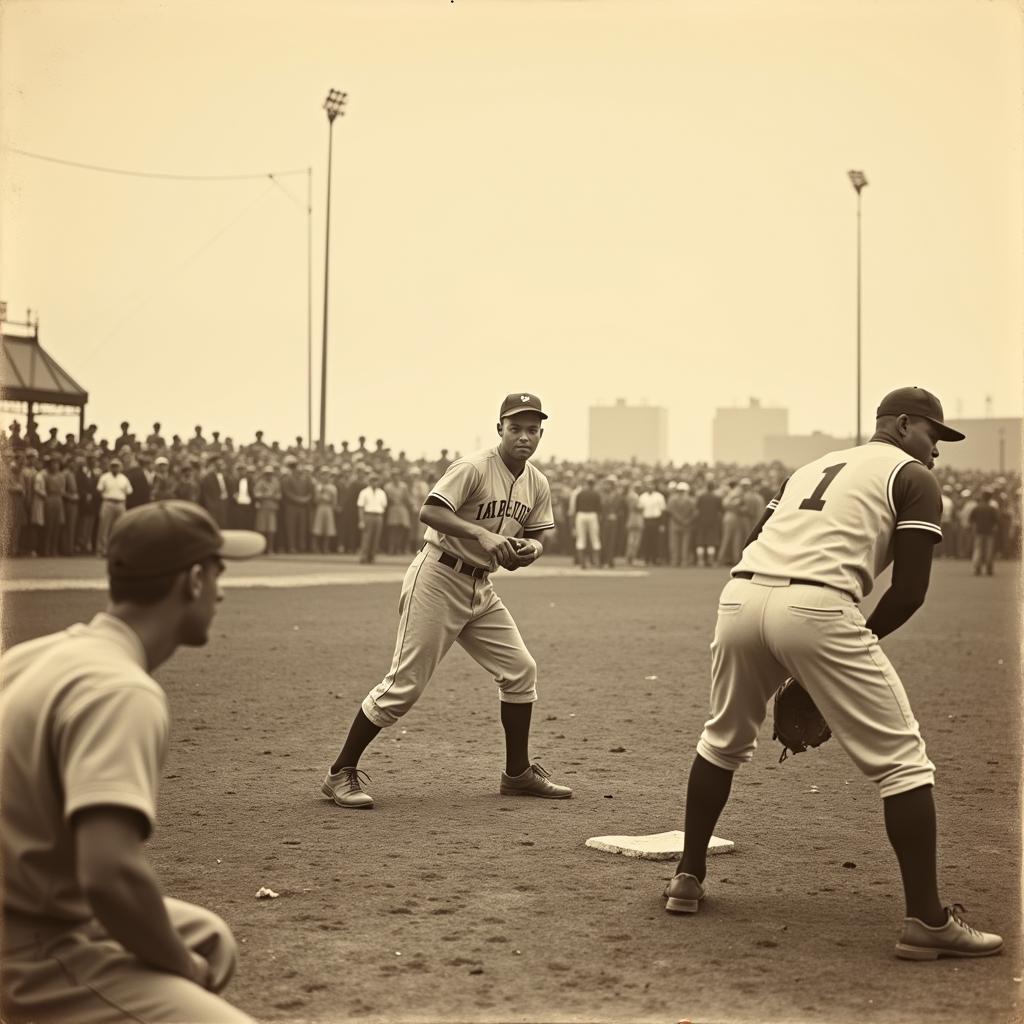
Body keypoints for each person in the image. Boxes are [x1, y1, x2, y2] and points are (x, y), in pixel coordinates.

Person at [665, 387, 1002, 961]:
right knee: (904, 762)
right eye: (932, 434)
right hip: (819, 606)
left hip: (740, 598)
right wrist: (841, 649)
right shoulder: (913, 476)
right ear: (899, 425)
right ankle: (927, 920)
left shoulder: (810, 467)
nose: (937, 451)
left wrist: (796, 652)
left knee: (721, 740)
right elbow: (911, 592)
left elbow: (753, 543)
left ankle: (687, 878)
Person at [0, 500, 264, 1022]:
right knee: (198, 969)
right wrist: (179, 968)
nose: (222, 590)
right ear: (192, 581)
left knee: (210, 939)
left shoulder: (35, 654)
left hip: (27, 899)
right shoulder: (122, 690)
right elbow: (110, 875)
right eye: (218, 573)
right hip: (30, 950)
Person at [321, 392, 569, 809]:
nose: (524, 436)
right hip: (437, 576)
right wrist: (481, 533)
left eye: (532, 429)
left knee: (520, 670)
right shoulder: (474, 467)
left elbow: (538, 534)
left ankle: (517, 773)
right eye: (515, 428)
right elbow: (429, 511)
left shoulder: (537, 482)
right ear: (500, 429)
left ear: (541, 434)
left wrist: (533, 550)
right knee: (404, 685)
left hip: (480, 587)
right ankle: (338, 773)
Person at [95, 458, 133, 557]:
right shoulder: (105, 477)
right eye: (113, 466)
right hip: (108, 502)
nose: (115, 468)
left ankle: (118, 550)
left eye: (117, 466)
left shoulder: (124, 478)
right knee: (104, 527)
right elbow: (99, 489)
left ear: (120, 467)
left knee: (120, 527)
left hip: (120, 503)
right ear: (110, 467)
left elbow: (129, 491)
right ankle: (102, 550)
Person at [356, 471, 388, 564]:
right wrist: (361, 520)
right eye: (372, 481)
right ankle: (364, 557)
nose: (374, 482)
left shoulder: (381, 492)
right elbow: (360, 507)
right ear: (369, 482)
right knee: (366, 537)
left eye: (376, 481)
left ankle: (372, 557)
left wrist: (380, 516)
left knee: (376, 538)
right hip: (368, 515)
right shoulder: (364, 492)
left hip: (378, 516)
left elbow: (384, 506)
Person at [573, 474, 603, 568]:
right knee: (595, 538)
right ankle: (597, 562)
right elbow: (599, 509)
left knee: (581, 538)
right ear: (593, 484)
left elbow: (576, 509)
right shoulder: (596, 494)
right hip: (592, 515)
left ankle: (582, 563)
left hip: (581, 515)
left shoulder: (580, 493)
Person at [968, 490, 999, 576]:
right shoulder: (992, 509)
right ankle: (989, 569)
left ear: (982, 498)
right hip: (989, 532)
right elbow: (996, 521)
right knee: (989, 550)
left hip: (979, 531)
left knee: (978, 550)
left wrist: (973, 528)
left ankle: (977, 568)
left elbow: (971, 520)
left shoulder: (977, 508)